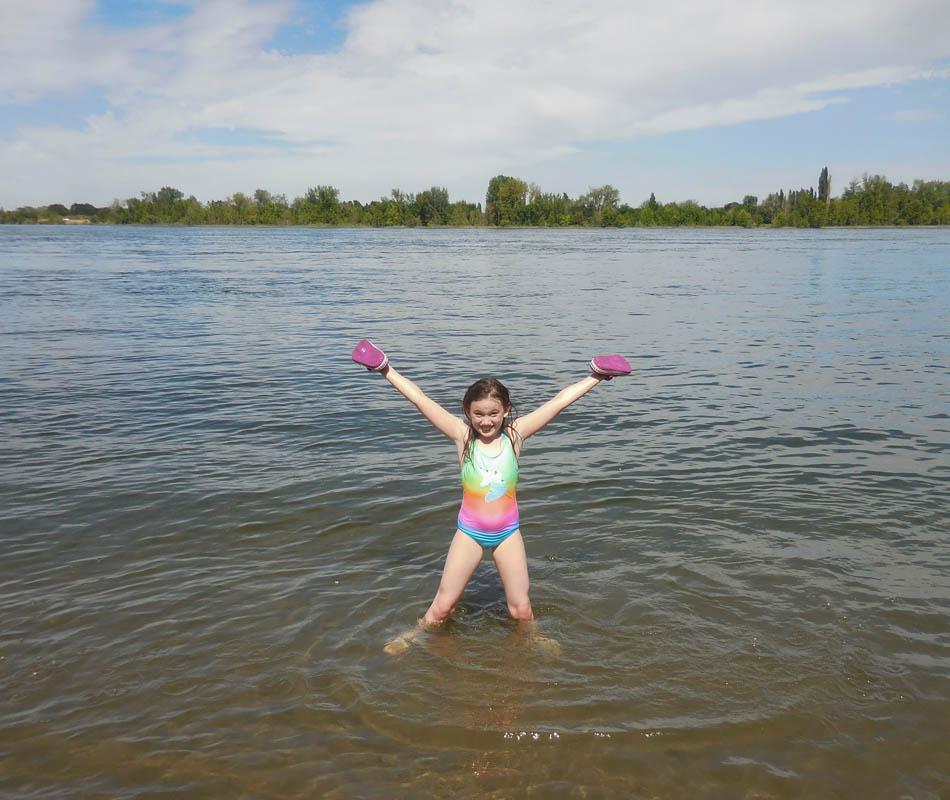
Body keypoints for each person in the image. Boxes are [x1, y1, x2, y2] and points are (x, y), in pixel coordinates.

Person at [351, 339, 631, 654]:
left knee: (521, 609)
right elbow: (420, 399)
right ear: (468, 413)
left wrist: (596, 376)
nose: (486, 421)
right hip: (469, 533)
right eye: (479, 414)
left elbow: (557, 403)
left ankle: (532, 638)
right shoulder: (462, 436)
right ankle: (416, 634)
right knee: (443, 607)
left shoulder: (515, 435)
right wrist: (385, 369)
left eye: (494, 413)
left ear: (506, 411)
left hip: (507, 534)